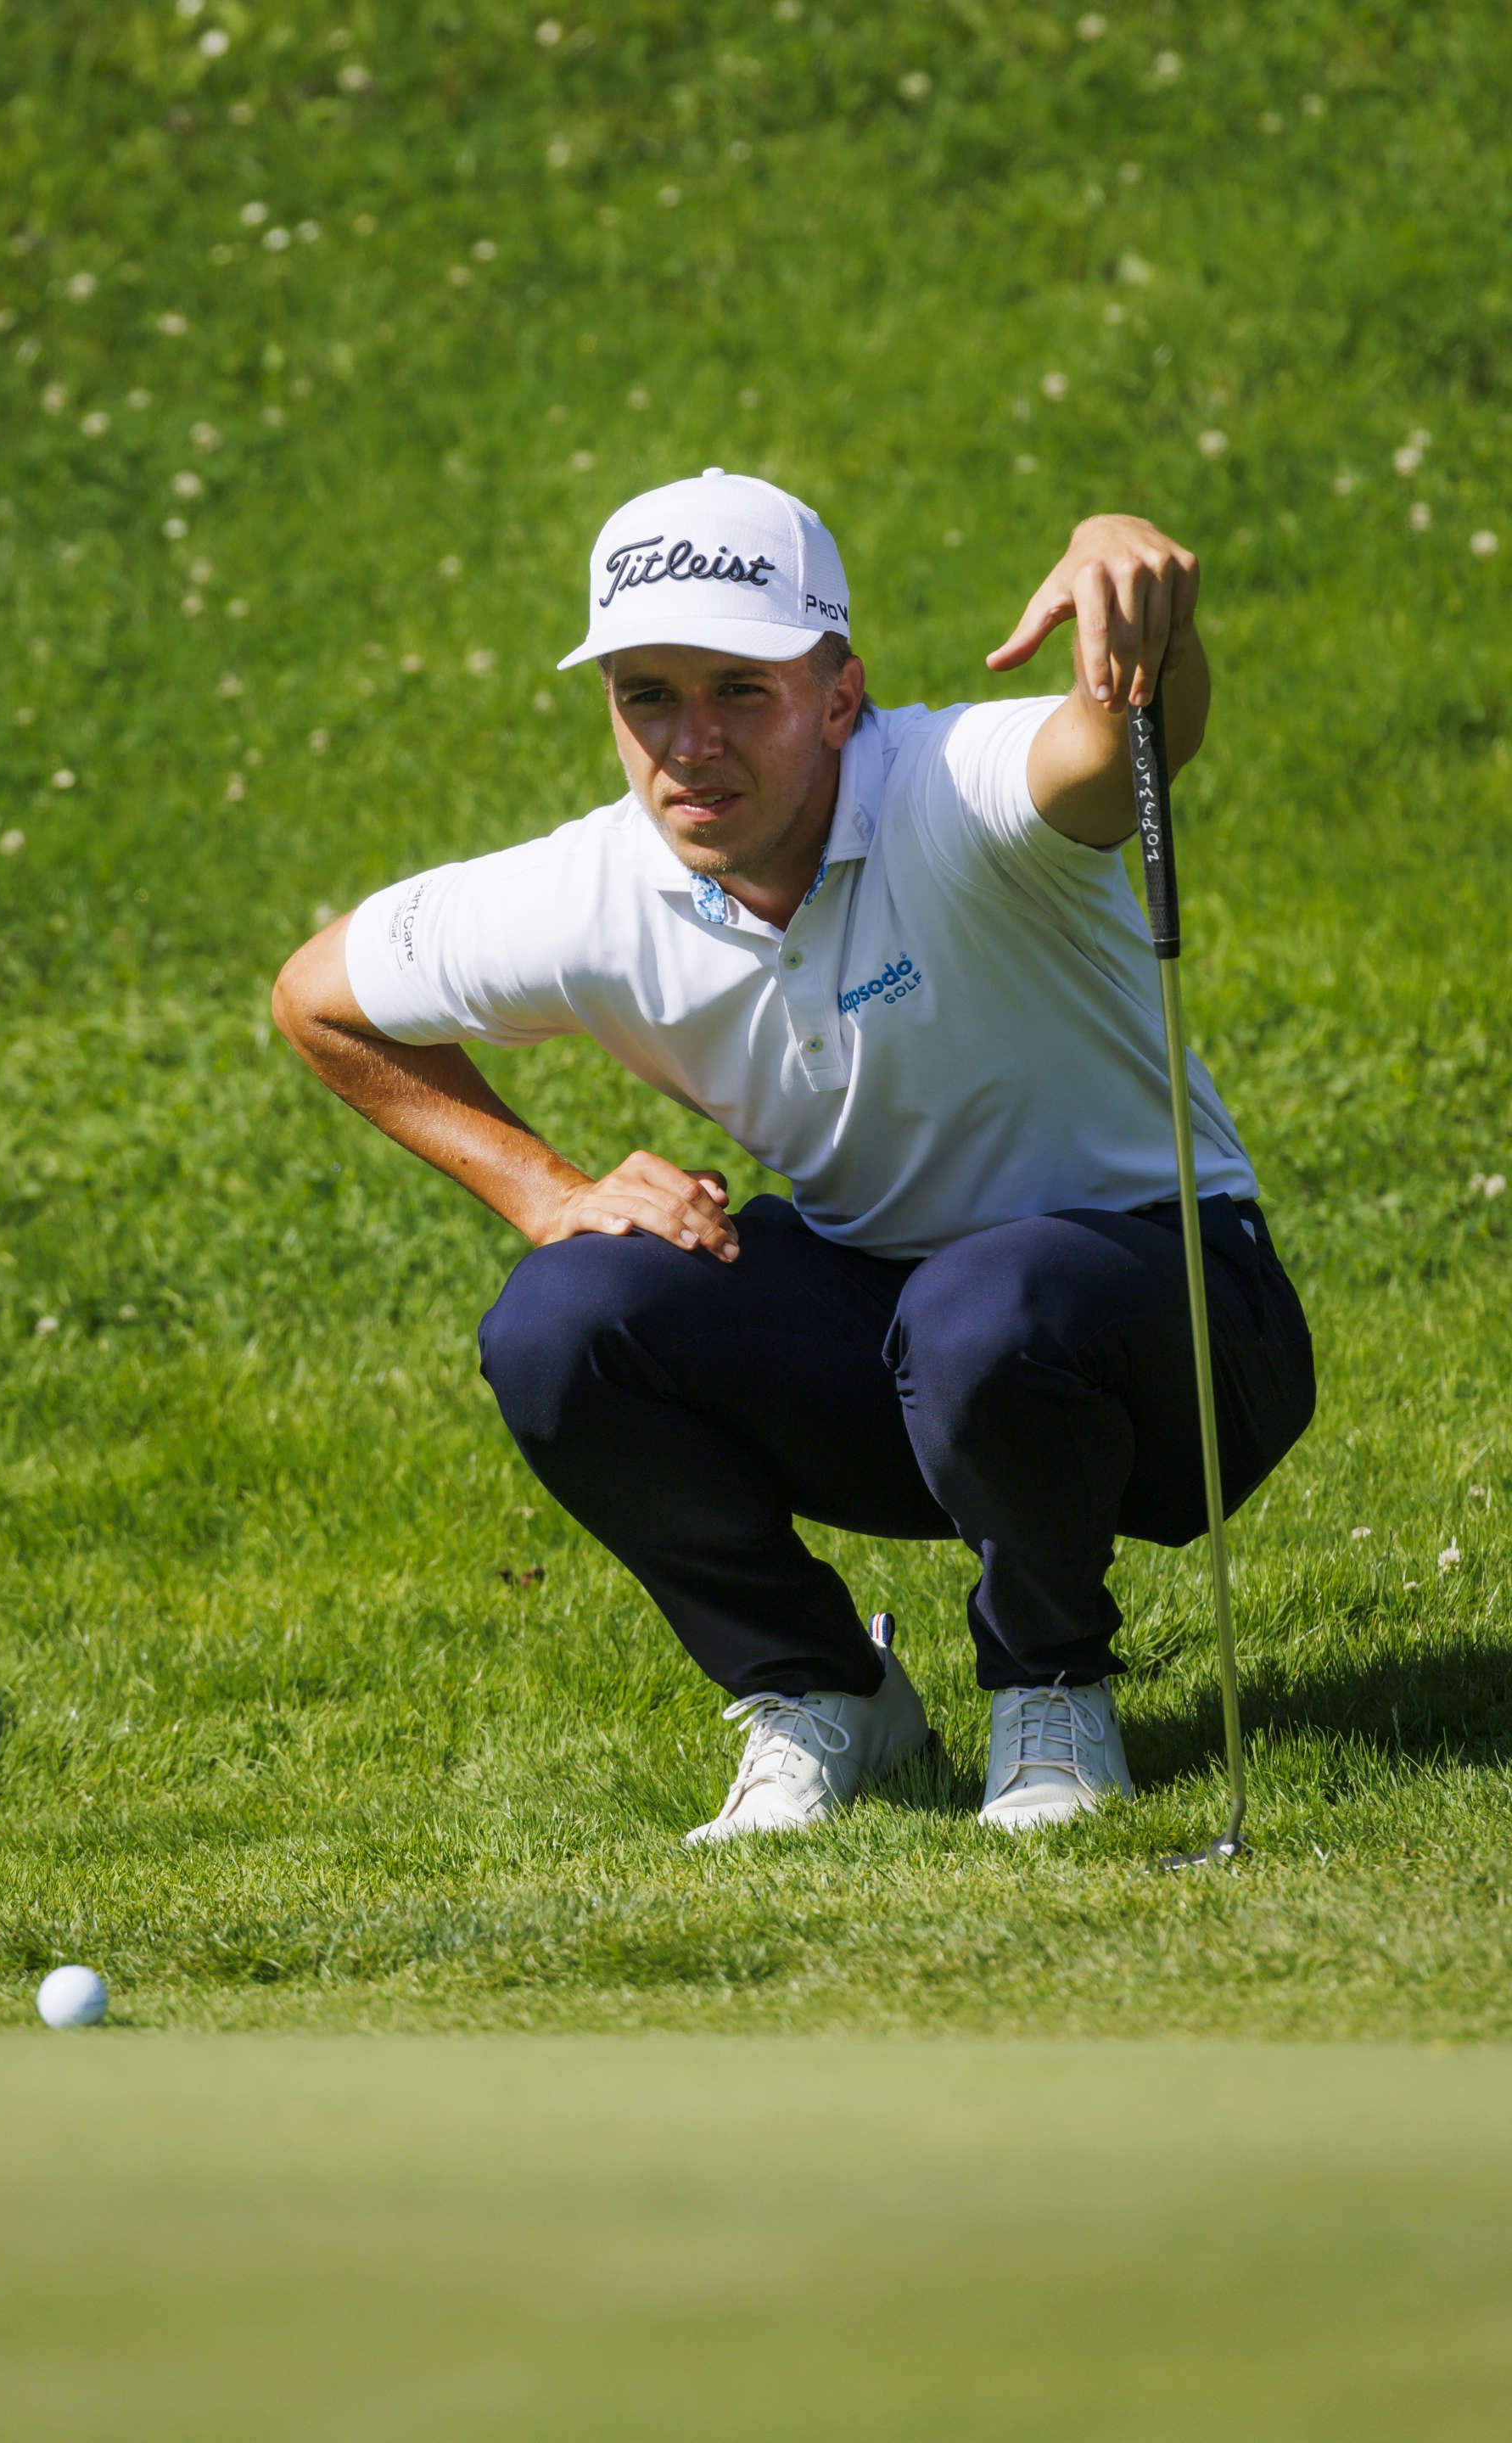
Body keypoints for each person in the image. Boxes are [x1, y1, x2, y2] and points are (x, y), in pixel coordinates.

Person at [272, 468, 1315, 1845]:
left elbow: (1119, 750)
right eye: (646, 694)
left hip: (1182, 1342)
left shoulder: (953, 789)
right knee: (564, 1322)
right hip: (908, 1356)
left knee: (981, 1307)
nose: (688, 744)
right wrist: (549, 1193)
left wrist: (1141, 611)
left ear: (839, 697)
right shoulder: (592, 891)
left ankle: (1049, 1689)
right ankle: (825, 1694)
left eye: (739, 692)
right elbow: (316, 996)